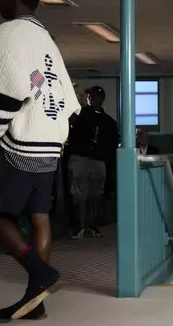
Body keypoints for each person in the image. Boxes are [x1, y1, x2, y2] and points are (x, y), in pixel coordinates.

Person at [0, 0, 80, 320]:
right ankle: (36, 300)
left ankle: (41, 274)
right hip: (51, 143)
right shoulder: (47, 39)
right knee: (39, 216)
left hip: (23, 143)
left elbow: (4, 94)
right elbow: (69, 100)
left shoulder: (8, 33)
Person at [67, 85, 118, 239]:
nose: (90, 99)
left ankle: (91, 226)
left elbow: (111, 143)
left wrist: (106, 162)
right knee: (78, 194)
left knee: (95, 194)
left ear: (99, 99)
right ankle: (79, 227)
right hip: (80, 158)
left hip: (97, 161)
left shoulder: (108, 121)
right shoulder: (79, 116)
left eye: (93, 97)